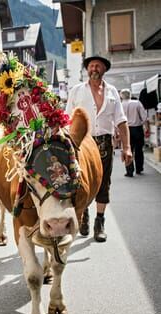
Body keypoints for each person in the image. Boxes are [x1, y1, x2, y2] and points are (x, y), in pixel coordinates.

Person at [66, 55, 132, 242]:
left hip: (104, 142)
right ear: (87, 70)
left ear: (104, 69)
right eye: (91, 66)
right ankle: (84, 213)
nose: (94, 68)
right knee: (81, 179)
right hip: (81, 142)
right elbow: (66, 117)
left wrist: (127, 148)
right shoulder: (77, 90)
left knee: (104, 183)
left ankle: (100, 221)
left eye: (98, 66)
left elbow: (121, 120)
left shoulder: (112, 92)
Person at [120, 89, 147, 177]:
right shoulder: (137, 103)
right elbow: (144, 117)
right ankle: (139, 168)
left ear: (122, 96)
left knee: (128, 149)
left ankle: (129, 171)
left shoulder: (120, 105)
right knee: (139, 149)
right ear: (130, 95)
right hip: (137, 129)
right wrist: (145, 127)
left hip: (126, 129)